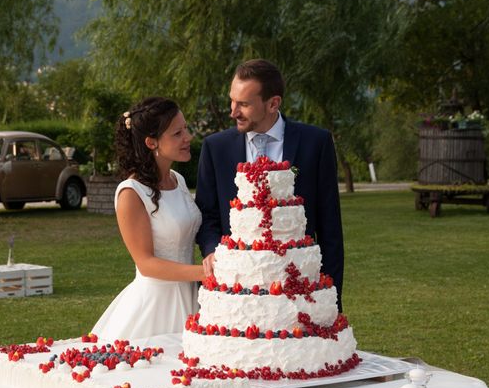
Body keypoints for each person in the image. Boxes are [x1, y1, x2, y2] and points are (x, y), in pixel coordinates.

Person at [195, 59, 345, 311]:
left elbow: (330, 228)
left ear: (273, 103)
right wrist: (211, 252)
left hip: (300, 287)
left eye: (243, 104)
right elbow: (207, 215)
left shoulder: (316, 143)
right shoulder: (215, 148)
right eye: (232, 101)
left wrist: (331, 300)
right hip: (237, 289)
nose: (233, 112)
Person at [92, 97, 206, 340]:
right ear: (151, 142)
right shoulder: (131, 193)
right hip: (155, 307)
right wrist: (205, 273)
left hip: (191, 298)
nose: (188, 137)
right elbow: (146, 263)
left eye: (185, 128)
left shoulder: (178, 179)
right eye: (177, 133)